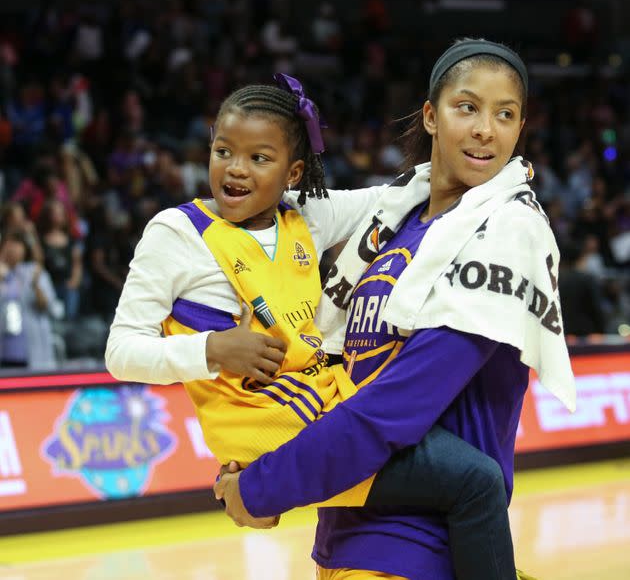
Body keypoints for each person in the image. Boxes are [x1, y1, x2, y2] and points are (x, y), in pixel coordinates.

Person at [106, 71, 544, 580]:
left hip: (319, 405)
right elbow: (121, 353)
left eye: (259, 158)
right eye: (223, 151)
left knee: (473, 479)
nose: (236, 169)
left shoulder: (304, 218)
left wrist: (508, 181)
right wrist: (212, 350)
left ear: (293, 173)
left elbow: (403, 195)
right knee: (477, 481)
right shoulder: (174, 232)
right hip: (261, 424)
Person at [213, 41, 576, 580]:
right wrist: (263, 457)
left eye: (506, 115)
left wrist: (269, 485)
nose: (485, 129)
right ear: (431, 115)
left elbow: (393, 407)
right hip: (344, 533)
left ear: (521, 129)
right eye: (467, 107)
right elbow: (337, 377)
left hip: (423, 546)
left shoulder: (505, 232)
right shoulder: (393, 220)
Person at [0, 231, 59, 369]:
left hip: (30, 347)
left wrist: (36, 286)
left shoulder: (35, 272)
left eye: (16, 245)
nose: (12, 249)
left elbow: (49, 308)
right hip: (4, 348)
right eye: (8, 245)